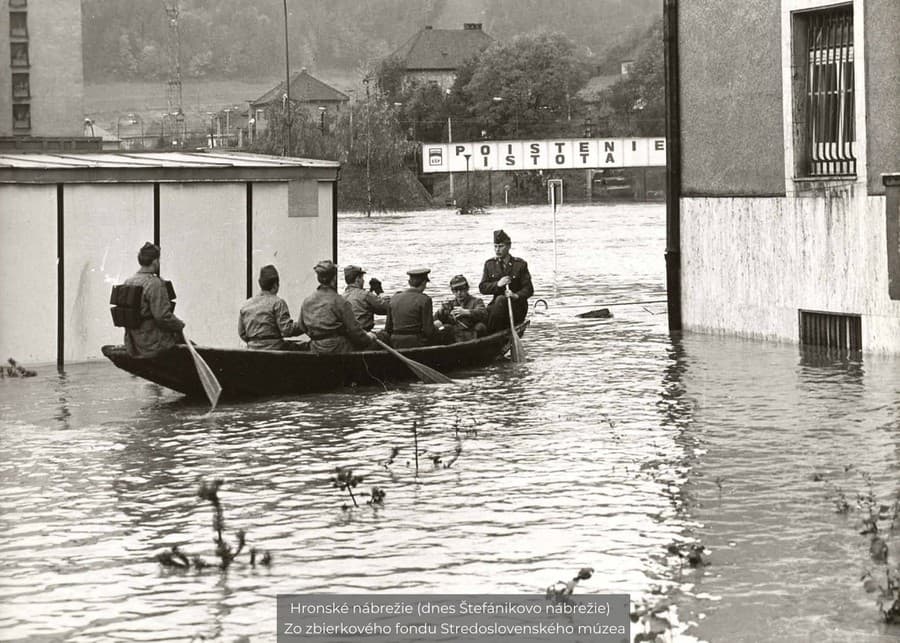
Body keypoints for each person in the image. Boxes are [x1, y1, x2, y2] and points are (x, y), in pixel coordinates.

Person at [297, 260, 377, 354]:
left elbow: (302, 327)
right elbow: (355, 332)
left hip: (316, 348)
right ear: (334, 278)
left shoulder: (307, 301)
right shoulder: (340, 302)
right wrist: (369, 337)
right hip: (339, 349)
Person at [121, 242, 185, 357]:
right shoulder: (155, 283)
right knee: (186, 345)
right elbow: (163, 317)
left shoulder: (129, 281)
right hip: (152, 343)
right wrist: (180, 325)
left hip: (133, 342)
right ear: (155, 261)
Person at [238, 265, 304, 351]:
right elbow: (287, 330)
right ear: (275, 285)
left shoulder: (245, 305)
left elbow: (242, 333)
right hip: (275, 351)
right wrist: (305, 324)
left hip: (253, 351)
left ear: (260, 283)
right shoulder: (278, 302)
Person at [479, 229, 534, 332]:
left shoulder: (520, 265)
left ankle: (492, 334)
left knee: (501, 300)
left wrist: (515, 295)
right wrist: (497, 284)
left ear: (509, 246)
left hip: (516, 308)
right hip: (496, 309)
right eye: (495, 246)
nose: (497, 250)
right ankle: (487, 334)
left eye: (501, 246)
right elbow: (482, 288)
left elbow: (529, 289)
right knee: (481, 316)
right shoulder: (489, 264)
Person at [385, 268, 438, 348]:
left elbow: (388, 328)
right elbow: (428, 331)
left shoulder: (394, 298)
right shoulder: (425, 300)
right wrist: (438, 327)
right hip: (416, 342)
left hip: (395, 342)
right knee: (447, 329)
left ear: (409, 282)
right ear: (424, 282)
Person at [434, 274, 488, 342]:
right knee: (445, 328)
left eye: (462, 290)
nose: (459, 293)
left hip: (473, 335)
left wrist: (467, 312)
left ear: (467, 289)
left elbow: (483, 313)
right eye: (456, 291)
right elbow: (435, 318)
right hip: (456, 336)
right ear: (452, 292)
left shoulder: (476, 301)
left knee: (480, 327)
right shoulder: (449, 304)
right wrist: (439, 316)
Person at [342, 264, 389, 331]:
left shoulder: (342, 297)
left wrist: (371, 292)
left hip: (348, 335)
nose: (363, 281)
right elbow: (387, 308)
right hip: (364, 334)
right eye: (362, 278)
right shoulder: (365, 295)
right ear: (357, 279)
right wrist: (380, 292)